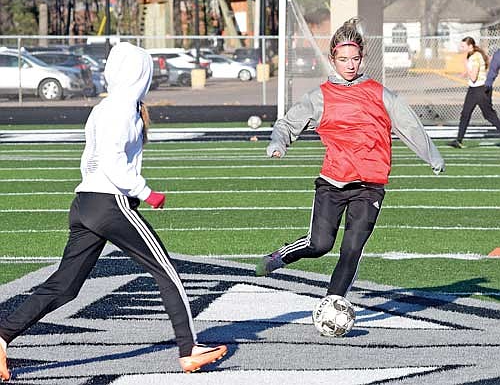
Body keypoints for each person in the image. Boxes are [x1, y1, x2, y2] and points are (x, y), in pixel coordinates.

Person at [0, 42, 226, 381]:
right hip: (110, 202)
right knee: (167, 272)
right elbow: (110, 160)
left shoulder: (110, 107)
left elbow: (91, 159)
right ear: (140, 74)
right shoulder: (121, 109)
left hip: (86, 202)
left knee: (65, 286)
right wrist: (146, 192)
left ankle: (2, 335)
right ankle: (188, 349)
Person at [255, 19, 445, 303]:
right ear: (332, 59)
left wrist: (432, 155)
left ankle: (333, 303)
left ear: (362, 58)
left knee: (352, 249)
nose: (350, 65)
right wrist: (277, 143)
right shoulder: (319, 96)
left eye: (355, 58)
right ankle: (280, 256)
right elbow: (288, 124)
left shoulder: (380, 93)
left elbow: (409, 125)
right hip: (333, 182)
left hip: (370, 186)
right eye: (343, 59)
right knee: (319, 245)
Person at [448, 37, 500, 149]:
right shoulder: (471, 55)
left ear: (470, 46)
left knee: (489, 115)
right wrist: (464, 72)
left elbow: (474, 77)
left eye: (463, 46)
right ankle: (458, 140)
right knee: (465, 114)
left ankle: (459, 139)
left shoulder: (475, 57)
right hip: (473, 89)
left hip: (481, 89)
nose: (461, 48)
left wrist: (466, 65)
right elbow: (471, 73)